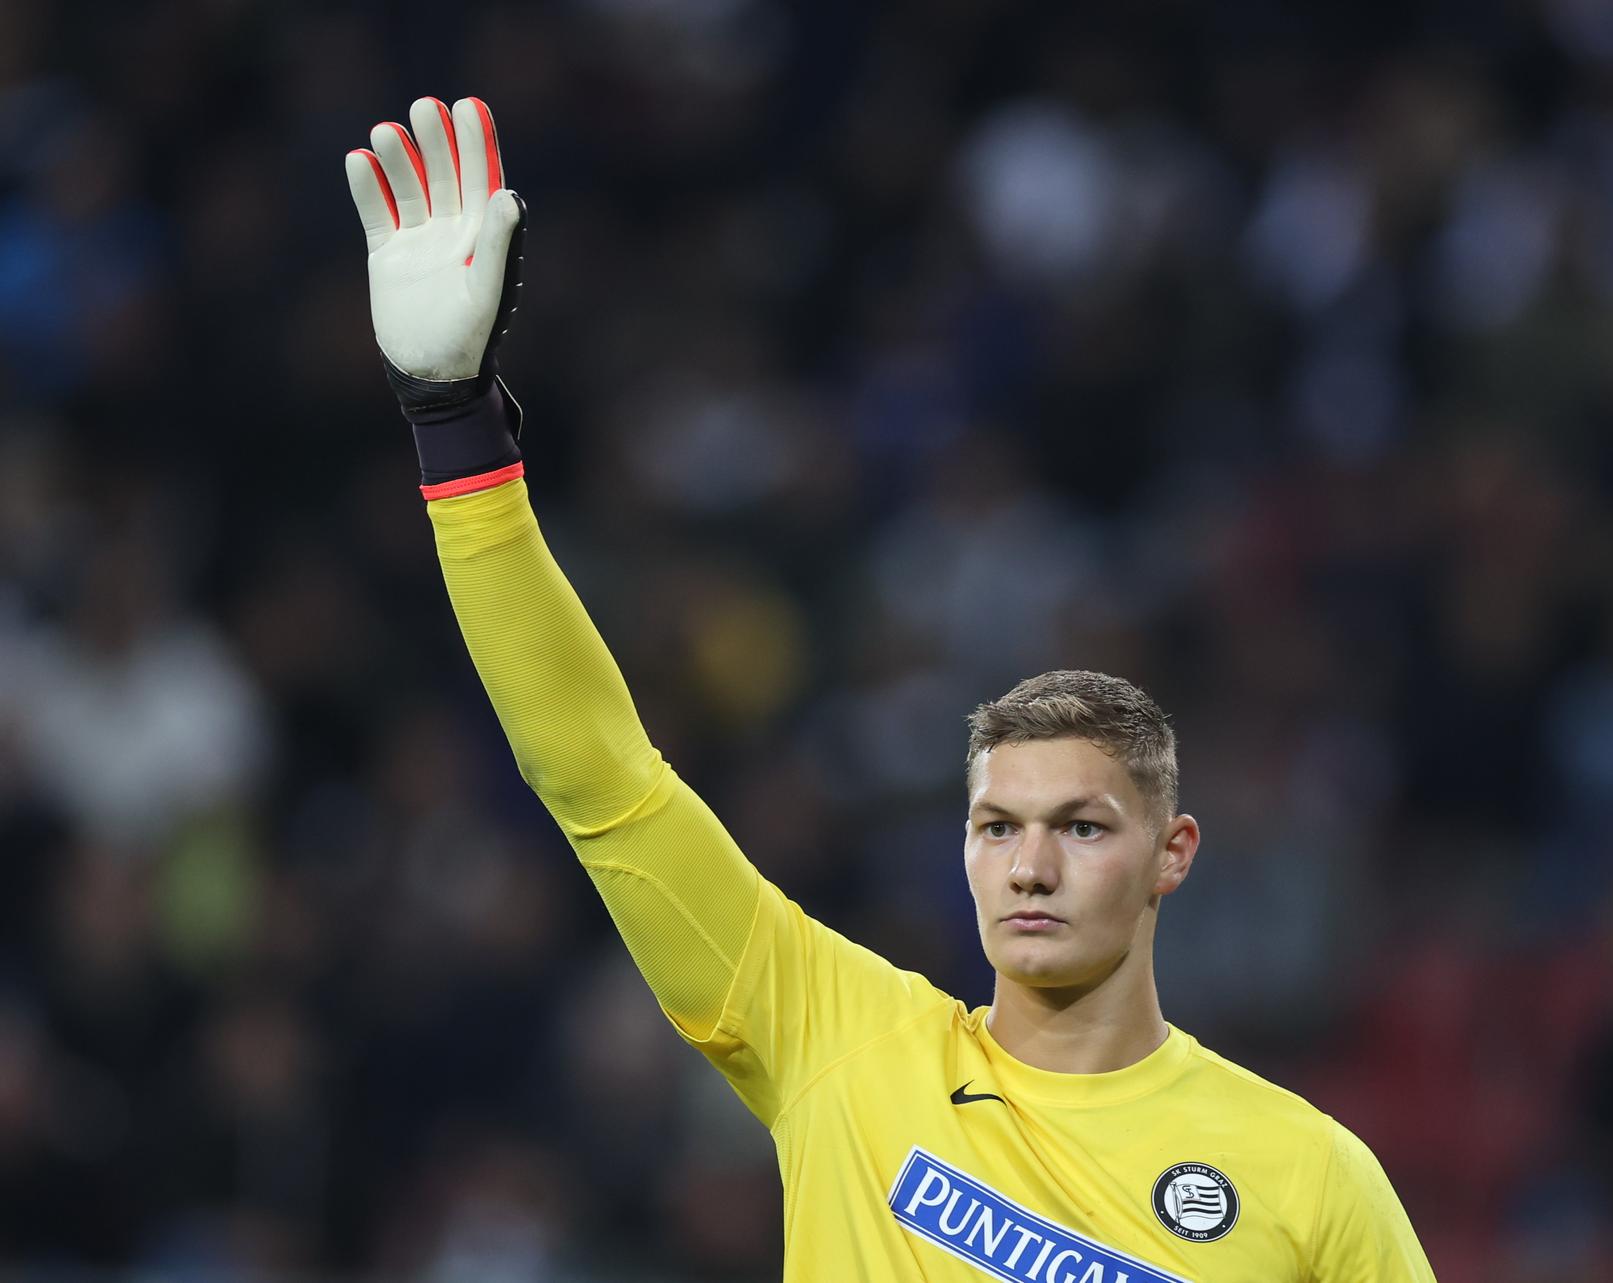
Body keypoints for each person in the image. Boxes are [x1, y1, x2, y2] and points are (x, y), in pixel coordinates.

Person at [344, 94, 1437, 1283]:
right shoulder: (833, 1035)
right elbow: (598, 775)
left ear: (1172, 850)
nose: (1030, 866)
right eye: (996, 827)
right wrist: (452, 424)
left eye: (1081, 826)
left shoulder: (1311, 1177)